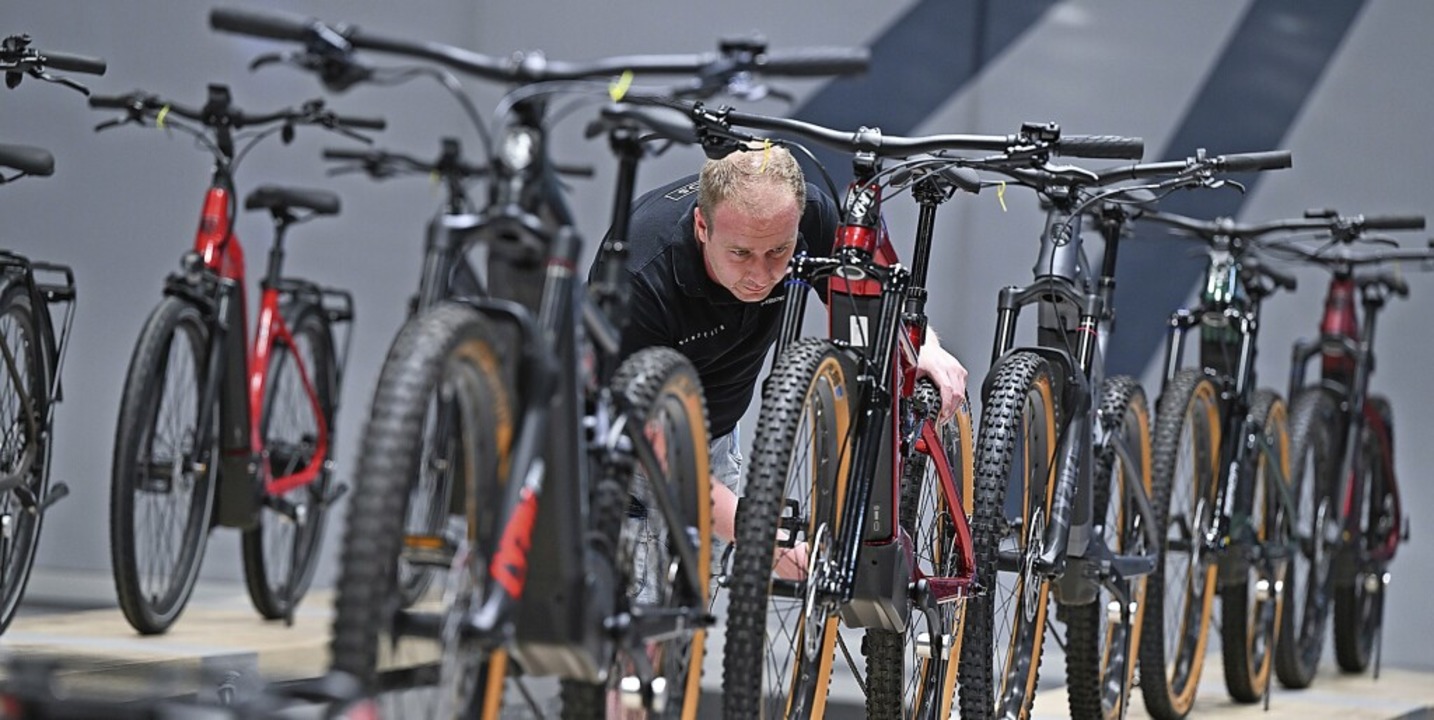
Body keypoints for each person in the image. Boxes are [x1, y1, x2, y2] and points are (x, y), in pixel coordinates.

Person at [597, 143, 968, 582]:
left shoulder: (808, 215)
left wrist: (921, 345)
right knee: (630, 625)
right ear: (702, 225)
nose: (760, 274)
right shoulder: (636, 275)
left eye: (779, 251)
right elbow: (650, 446)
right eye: (740, 254)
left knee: (682, 624)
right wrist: (767, 543)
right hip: (630, 447)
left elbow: (873, 298)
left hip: (714, 431)